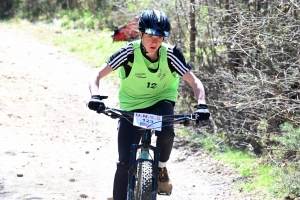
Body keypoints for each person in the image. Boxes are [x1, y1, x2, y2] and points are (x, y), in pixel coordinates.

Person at [87, 9, 210, 200]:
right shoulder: (128, 52)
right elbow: (96, 75)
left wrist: (202, 105)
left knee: (167, 132)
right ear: (141, 33)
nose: (154, 42)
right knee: (124, 162)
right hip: (132, 106)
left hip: (161, 102)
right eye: (150, 36)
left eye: (159, 37)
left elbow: (195, 82)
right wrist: (95, 96)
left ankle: (161, 168)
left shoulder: (171, 55)